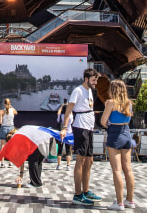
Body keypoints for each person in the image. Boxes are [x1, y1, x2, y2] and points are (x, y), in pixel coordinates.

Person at [60, 68, 102, 206]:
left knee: (89, 161)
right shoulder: (78, 90)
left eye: (96, 80)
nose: (95, 83)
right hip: (81, 127)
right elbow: (68, 110)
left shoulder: (89, 90)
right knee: (80, 160)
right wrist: (65, 128)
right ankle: (78, 195)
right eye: (94, 80)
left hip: (89, 128)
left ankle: (86, 191)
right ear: (86, 79)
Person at [100, 79, 136, 211]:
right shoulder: (129, 103)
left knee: (116, 170)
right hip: (126, 133)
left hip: (115, 134)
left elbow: (103, 121)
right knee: (128, 169)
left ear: (112, 90)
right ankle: (130, 200)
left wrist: (109, 122)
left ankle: (119, 203)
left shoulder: (110, 103)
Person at [0, 98, 17, 168]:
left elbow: (0, 122)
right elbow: (16, 112)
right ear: (10, 104)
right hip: (11, 128)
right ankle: (10, 162)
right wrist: (11, 107)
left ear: (4, 104)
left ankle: (2, 163)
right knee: (11, 146)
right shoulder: (13, 110)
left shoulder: (1, 111)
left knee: (3, 146)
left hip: (4, 128)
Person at [56, 99, 73, 171]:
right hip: (68, 133)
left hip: (61, 133)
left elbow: (58, 113)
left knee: (59, 150)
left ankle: (58, 165)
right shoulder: (70, 116)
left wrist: (62, 106)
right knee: (68, 150)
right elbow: (72, 119)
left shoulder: (61, 116)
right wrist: (69, 107)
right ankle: (68, 165)